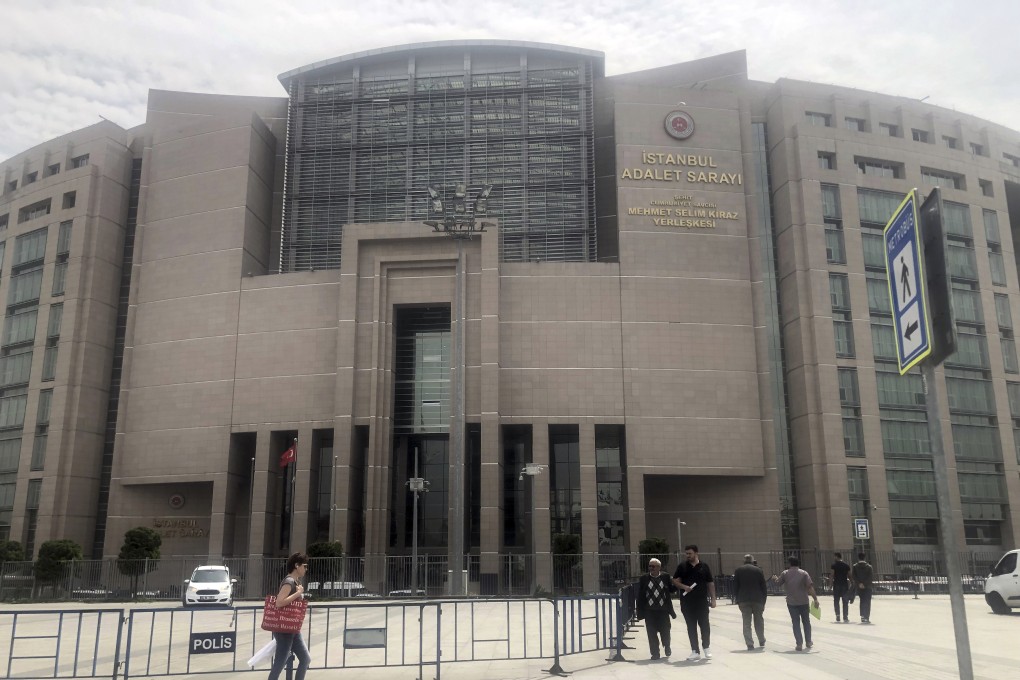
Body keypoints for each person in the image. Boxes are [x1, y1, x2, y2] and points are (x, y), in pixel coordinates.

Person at [268, 552, 311, 680]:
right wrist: (297, 593)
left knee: (305, 659)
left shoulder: (295, 582)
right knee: (280, 663)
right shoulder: (289, 582)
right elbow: (279, 602)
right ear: (297, 566)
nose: (306, 569)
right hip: (284, 629)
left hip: (292, 627)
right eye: (305, 566)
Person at [672, 544, 716, 661]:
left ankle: (706, 648)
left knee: (705, 625)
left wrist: (713, 598)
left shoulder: (704, 566)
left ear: (696, 553)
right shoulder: (682, 566)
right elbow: (675, 581)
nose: (687, 556)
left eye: (690, 553)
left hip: (701, 602)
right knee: (691, 627)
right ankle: (695, 651)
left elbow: (710, 583)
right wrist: (684, 587)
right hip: (687, 603)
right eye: (686, 553)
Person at [635, 558, 677, 660]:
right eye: (649, 566)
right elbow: (640, 595)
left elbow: (671, 589)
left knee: (666, 631)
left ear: (659, 567)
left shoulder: (665, 577)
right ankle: (655, 653)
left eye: (653, 566)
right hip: (649, 611)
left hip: (663, 610)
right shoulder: (644, 578)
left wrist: (678, 584)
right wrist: (639, 611)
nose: (651, 568)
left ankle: (667, 646)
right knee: (651, 633)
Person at [775, 556, 819, 652]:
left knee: (795, 622)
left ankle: (799, 643)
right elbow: (810, 587)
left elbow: (778, 583)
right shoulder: (804, 573)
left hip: (791, 602)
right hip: (804, 601)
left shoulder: (785, 573)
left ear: (789, 564)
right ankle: (808, 641)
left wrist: (775, 579)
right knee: (806, 622)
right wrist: (815, 599)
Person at [732, 554, 767, 650]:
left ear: (744, 561)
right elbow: (763, 587)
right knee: (759, 621)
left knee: (746, 622)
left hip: (743, 599)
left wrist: (737, 599)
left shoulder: (738, 570)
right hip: (757, 599)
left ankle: (749, 643)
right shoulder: (758, 570)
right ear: (752, 561)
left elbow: (735, 586)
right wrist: (764, 601)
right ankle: (761, 639)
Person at [851, 552, 875, 623]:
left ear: (858, 558)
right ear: (865, 558)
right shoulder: (869, 567)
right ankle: (866, 617)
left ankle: (862, 616)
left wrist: (859, 583)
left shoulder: (855, 566)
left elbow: (854, 576)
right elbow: (870, 577)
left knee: (862, 601)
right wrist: (864, 583)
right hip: (868, 587)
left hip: (859, 587)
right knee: (867, 601)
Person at [831, 552, 852, 622]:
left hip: (836, 585)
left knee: (836, 601)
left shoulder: (834, 565)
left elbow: (832, 575)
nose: (834, 558)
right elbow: (849, 575)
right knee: (845, 601)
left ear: (837, 557)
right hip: (844, 585)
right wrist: (852, 582)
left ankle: (837, 615)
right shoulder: (846, 565)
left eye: (834, 556)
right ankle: (845, 617)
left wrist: (830, 584)